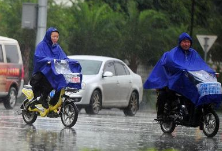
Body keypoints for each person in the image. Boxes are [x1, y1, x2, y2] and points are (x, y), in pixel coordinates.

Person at [143, 32, 215, 119]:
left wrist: (211, 72)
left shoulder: (193, 53)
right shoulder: (173, 53)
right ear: (180, 42)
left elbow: (201, 65)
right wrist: (182, 69)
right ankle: (164, 112)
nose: (186, 44)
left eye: (188, 42)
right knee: (167, 93)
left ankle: (195, 113)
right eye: (184, 42)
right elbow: (171, 63)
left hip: (189, 80)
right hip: (175, 79)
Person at [30, 27, 70, 114]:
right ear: (49, 36)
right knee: (49, 83)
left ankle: (53, 102)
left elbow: (63, 57)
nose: (55, 38)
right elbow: (38, 57)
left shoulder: (57, 48)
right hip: (42, 73)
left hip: (53, 72)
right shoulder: (41, 46)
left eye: (57, 37)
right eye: (53, 36)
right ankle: (42, 98)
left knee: (59, 82)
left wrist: (68, 61)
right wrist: (48, 60)